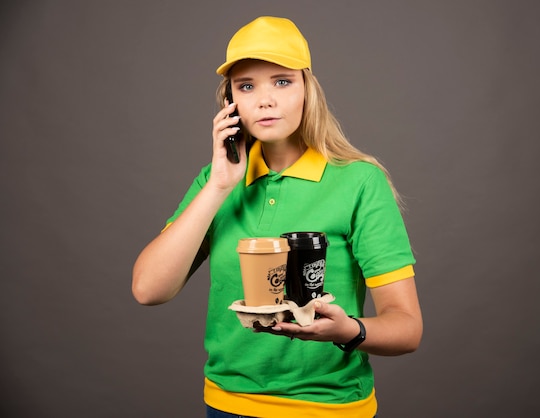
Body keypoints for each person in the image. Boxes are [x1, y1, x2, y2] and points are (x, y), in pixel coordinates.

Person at [132, 16, 423, 418]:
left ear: (308, 90)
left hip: (330, 408)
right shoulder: (216, 182)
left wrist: (348, 330)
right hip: (227, 405)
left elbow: (407, 328)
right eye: (246, 86)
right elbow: (149, 289)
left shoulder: (360, 181)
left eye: (282, 81)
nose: (264, 99)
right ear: (230, 102)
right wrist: (219, 186)